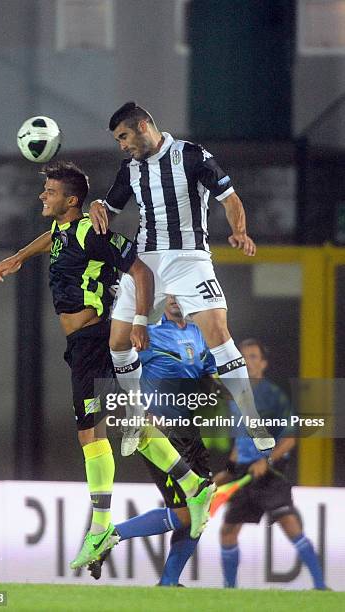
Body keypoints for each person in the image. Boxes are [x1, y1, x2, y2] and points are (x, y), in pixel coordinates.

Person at [0, 161, 215, 569]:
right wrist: (19, 256)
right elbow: (51, 239)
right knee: (134, 424)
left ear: (71, 200)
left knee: (91, 437)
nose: (43, 196)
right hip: (83, 344)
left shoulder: (91, 234)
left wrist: (140, 321)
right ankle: (193, 483)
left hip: (95, 342)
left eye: (51, 191)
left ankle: (100, 529)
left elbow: (139, 269)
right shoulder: (63, 230)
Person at [88, 101, 274, 453]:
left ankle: (251, 417)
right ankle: (134, 415)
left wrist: (240, 231)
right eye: (117, 140)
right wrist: (96, 205)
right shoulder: (130, 169)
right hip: (146, 261)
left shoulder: (190, 155)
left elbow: (229, 199)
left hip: (190, 259)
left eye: (124, 136)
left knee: (218, 334)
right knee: (117, 343)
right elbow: (108, 210)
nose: (122, 145)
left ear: (143, 125)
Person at [88, 295, 227, 586]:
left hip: (190, 430)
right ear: (162, 299)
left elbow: (210, 377)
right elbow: (120, 371)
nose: (175, 300)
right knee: (185, 512)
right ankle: (111, 535)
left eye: (180, 293)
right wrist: (142, 411)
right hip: (160, 434)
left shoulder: (199, 332)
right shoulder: (145, 332)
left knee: (201, 507)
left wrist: (223, 387)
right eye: (170, 294)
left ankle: (168, 584)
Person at [217, 338, 327, 590]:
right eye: (243, 357)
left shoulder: (273, 396)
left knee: (290, 524)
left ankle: (320, 587)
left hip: (270, 472)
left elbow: (290, 436)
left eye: (253, 357)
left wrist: (265, 460)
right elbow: (239, 444)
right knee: (228, 531)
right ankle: (229, 591)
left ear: (263, 364)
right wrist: (227, 472)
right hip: (244, 474)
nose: (247, 362)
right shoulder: (235, 399)